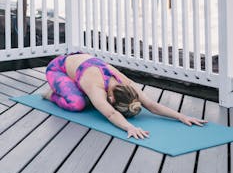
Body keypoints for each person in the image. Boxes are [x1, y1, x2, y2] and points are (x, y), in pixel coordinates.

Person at [43, 51, 207, 140]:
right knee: (77, 103)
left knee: (92, 101)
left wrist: (181, 116)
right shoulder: (96, 86)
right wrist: (130, 127)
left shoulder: (126, 83)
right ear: (112, 99)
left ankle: (76, 90)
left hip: (79, 62)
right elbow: (111, 113)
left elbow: (151, 105)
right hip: (58, 69)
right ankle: (51, 95)